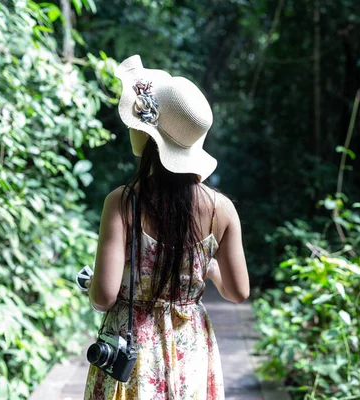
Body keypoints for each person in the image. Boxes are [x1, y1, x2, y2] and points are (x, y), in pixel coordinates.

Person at [83, 55, 249, 399]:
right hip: (191, 350)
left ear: (150, 138)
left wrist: (89, 283)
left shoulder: (122, 202)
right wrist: (212, 269)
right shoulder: (222, 209)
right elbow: (238, 292)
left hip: (133, 356)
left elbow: (103, 296)